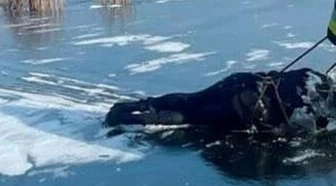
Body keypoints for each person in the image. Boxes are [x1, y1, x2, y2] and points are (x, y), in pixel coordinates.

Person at [105, 68, 336, 135]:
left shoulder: (313, 76)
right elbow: (294, 126)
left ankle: (133, 107)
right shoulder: (316, 114)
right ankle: (129, 119)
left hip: (243, 81)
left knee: (190, 100)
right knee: (191, 117)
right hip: (245, 109)